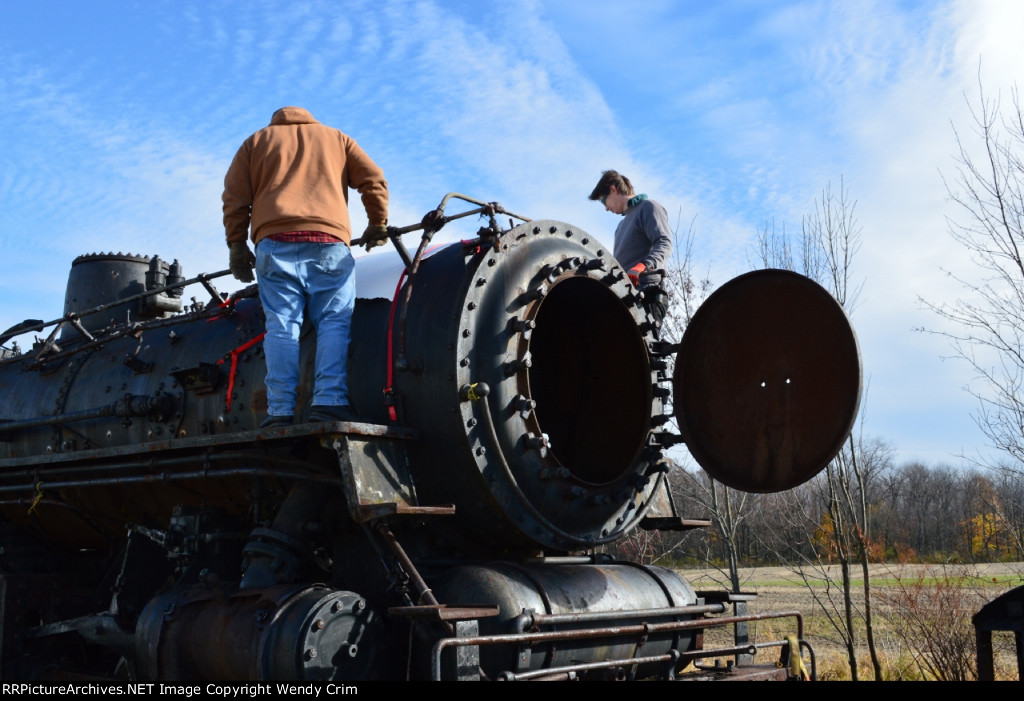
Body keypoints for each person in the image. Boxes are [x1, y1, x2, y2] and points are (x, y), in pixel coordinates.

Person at [223, 106, 389, 427]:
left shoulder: (256, 142)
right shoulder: (336, 138)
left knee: (282, 326)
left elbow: (235, 198)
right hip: (328, 243)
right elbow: (373, 180)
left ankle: (280, 411)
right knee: (333, 322)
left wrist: (236, 245)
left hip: (273, 243)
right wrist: (378, 222)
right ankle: (329, 401)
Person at [588, 170, 673, 328]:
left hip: (648, 293)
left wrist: (643, 266)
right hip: (626, 298)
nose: (606, 209)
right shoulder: (620, 227)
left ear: (613, 189)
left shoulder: (649, 207)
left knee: (645, 350)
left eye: (604, 201)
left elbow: (664, 242)